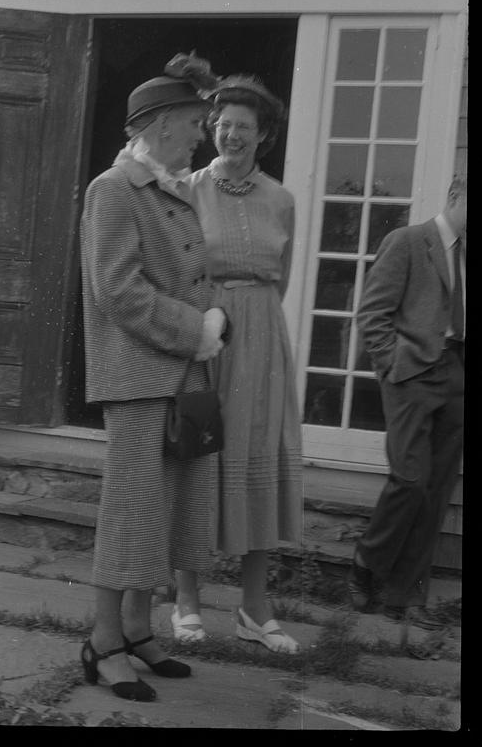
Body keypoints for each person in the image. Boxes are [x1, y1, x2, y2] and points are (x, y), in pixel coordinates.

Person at [78, 56, 229, 701]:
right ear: (163, 124)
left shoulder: (171, 189)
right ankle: (103, 641)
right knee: (132, 511)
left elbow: (188, 274)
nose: (203, 134)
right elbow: (119, 292)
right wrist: (195, 327)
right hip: (138, 375)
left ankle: (138, 632)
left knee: (166, 512)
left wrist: (213, 317)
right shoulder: (112, 190)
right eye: (196, 122)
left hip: (181, 374)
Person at [173, 74, 303, 654]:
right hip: (206, 335)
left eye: (244, 127)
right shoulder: (186, 189)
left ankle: (254, 610)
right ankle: (187, 602)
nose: (231, 135)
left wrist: (255, 322)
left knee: (258, 459)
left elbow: (282, 279)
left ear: (264, 135)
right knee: (198, 458)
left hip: (263, 342)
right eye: (223, 125)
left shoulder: (282, 200)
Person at [349, 176, 467, 629]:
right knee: (411, 480)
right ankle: (368, 559)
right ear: (454, 196)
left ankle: (406, 595)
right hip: (414, 374)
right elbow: (372, 313)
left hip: (458, 373)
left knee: (436, 491)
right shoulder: (409, 242)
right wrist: (392, 367)